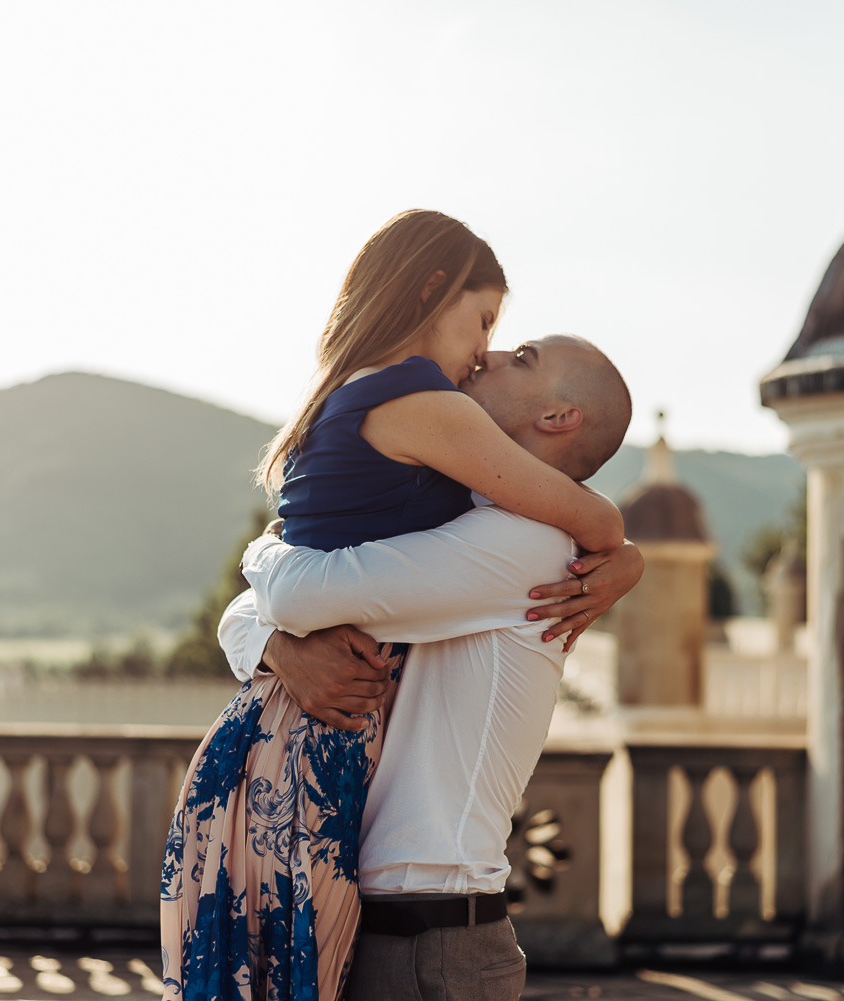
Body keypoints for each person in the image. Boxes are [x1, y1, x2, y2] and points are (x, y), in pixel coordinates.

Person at [159, 211, 631, 1001]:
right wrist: (281, 647)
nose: (486, 351)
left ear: (558, 419)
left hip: (430, 938)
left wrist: (264, 551)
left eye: (516, 351)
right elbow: (259, 612)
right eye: (487, 325)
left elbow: (298, 590)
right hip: (385, 911)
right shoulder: (461, 520)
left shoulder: (523, 549)